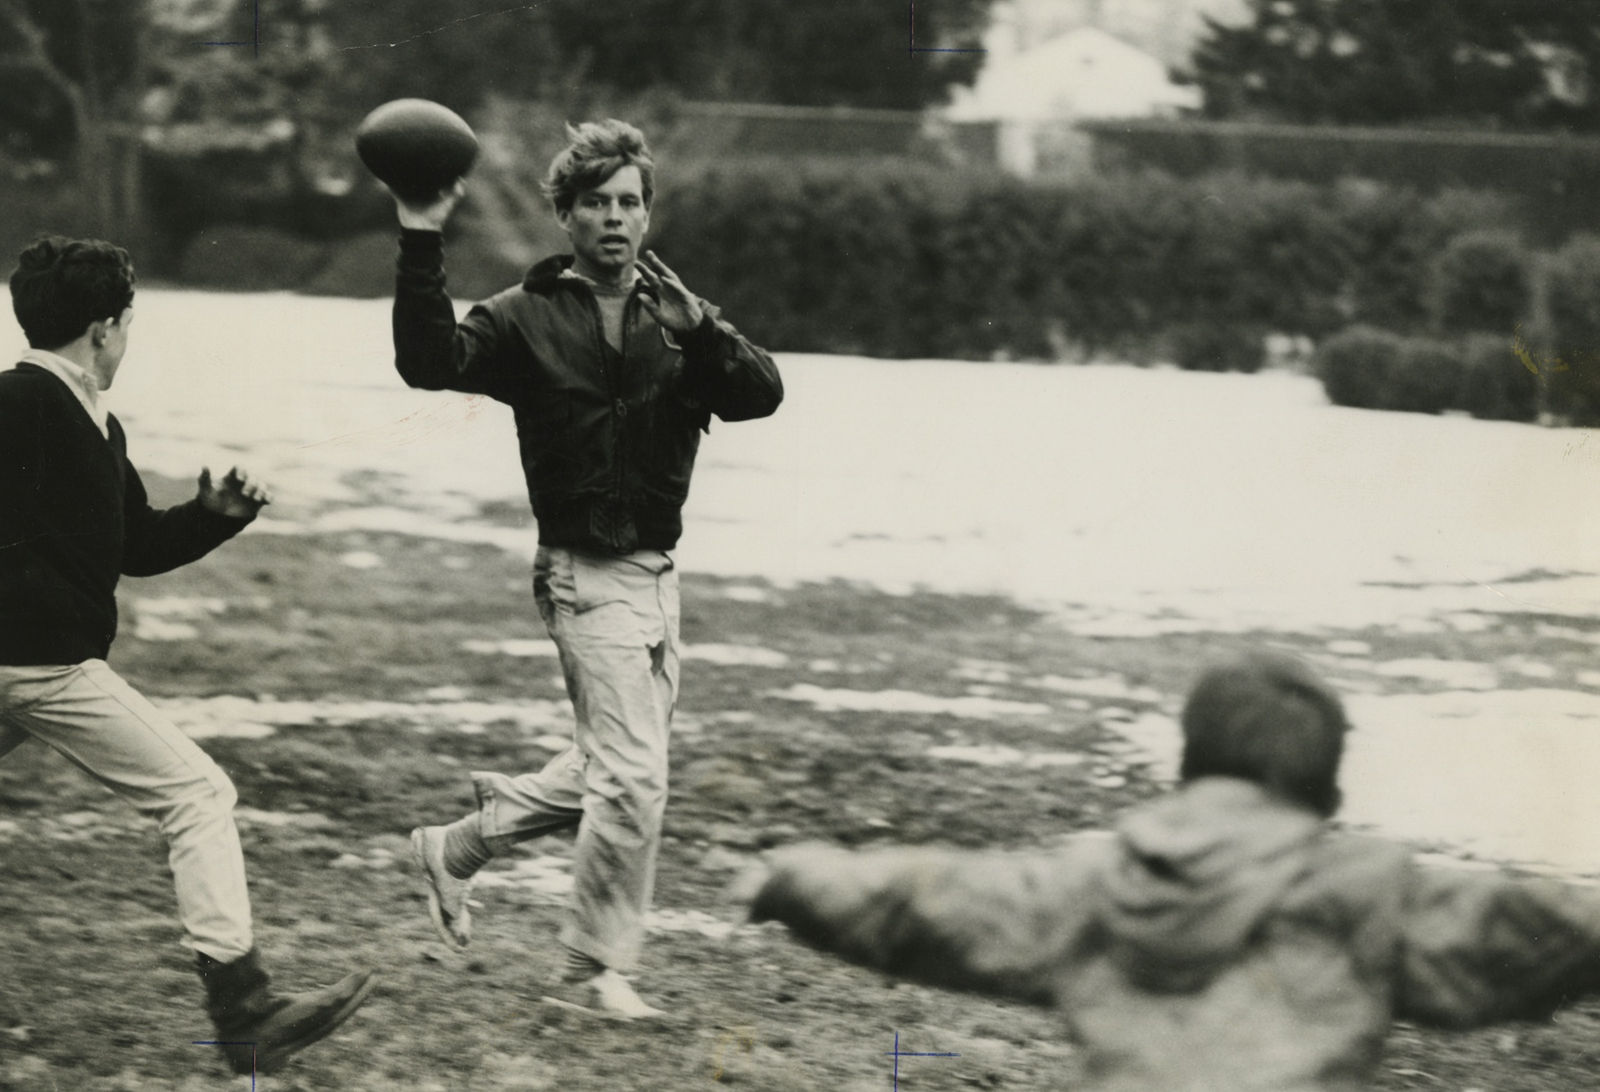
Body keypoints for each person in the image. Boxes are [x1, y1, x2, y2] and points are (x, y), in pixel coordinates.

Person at [742, 652, 1600, 1091]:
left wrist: (792, 877)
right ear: (1326, 788)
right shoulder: (1370, 891)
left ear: (1189, 766)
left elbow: (926, 903)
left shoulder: (1104, 882)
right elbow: (1532, 932)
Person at [394, 119, 783, 1019]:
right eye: (597, 204)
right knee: (635, 778)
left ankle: (459, 845)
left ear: (648, 215)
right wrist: (421, 232)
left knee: (613, 768)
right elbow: (428, 362)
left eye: (630, 203)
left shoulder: (678, 317)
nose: (616, 219)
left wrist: (708, 333)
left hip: (657, 577)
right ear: (565, 217)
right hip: (579, 572)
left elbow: (762, 394)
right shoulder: (521, 318)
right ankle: (592, 972)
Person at [0, 236, 374, 1076]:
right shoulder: (17, 402)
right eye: (129, 325)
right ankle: (245, 1009)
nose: (127, 341)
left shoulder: (98, 422)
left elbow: (131, 545)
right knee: (200, 792)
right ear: (105, 329)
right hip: (44, 669)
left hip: (31, 667)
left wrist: (212, 515)